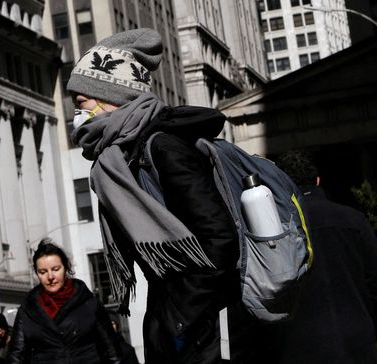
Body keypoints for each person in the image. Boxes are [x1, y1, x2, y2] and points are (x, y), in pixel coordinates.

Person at [66, 28, 248, 363]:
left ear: (111, 97)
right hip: (172, 320)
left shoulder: (162, 147)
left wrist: (179, 318)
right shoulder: (122, 159)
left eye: (81, 103)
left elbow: (220, 239)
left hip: (196, 326)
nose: (76, 115)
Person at [270, 151, 377, 363]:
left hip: (299, 348)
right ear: (318, 181)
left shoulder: (275, 232)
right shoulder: (353, 220)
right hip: (356, 344)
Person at [6, 240, 121, 363]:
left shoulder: (88, 303)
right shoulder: (27, 310)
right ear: (37, 274)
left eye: (55, 269)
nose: (50, 277)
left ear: (65, 268)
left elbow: (112, 351)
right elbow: (16, 356)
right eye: (43, 272)